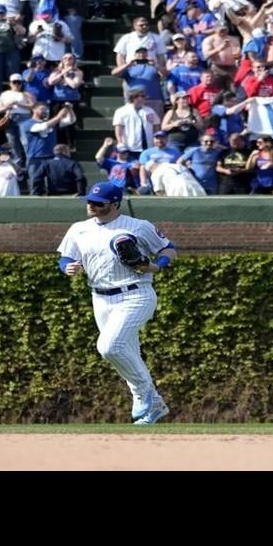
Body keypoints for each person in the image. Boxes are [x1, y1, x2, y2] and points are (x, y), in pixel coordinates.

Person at [56, 181, 178, 425]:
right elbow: (67, 256)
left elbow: (168, 249)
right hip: (100, 298)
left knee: (110, 347)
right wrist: (66, 266)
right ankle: (154, 407)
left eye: (98, 203)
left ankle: (146, 395)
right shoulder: (79, 228)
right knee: (127, 352)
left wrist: (157, 266)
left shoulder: (138, 227)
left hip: (136, 293)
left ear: (114, 204)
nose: (91, 205)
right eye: (89, 200)